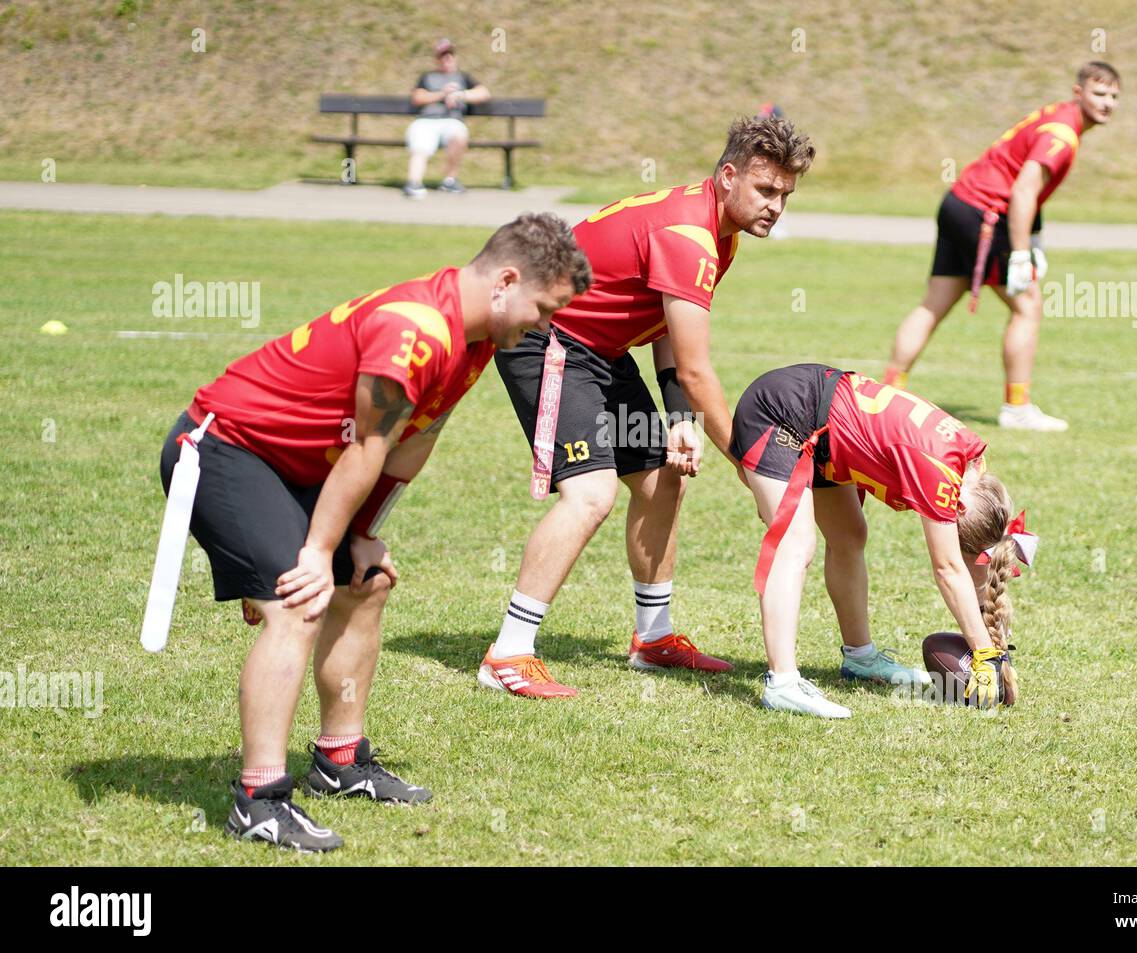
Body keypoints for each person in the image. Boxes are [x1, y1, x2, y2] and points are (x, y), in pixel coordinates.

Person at [158, 214, 590, 850]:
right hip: (225, 447)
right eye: (544, 308)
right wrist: (315, 551)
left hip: (295, 466)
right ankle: (258, 800)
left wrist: (360, 535)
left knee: (367, 583)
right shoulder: (416, 329)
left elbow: (414, 444)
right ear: (506, 280)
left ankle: (339, 762)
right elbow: (367, 446)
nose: (545, 326)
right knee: (297, 603)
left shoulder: (475, 341)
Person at [480, 115, 816, 698]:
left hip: (600, 350)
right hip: (548, 339)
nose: (777, 206)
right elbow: (695, 367)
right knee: (591, 493)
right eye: (766, 190)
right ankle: (508, 652)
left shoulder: (717, 229)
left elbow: (667, 323)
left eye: (786, 194)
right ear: (729, 175)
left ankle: (652, 639)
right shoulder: (691, 237)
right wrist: (751, 465)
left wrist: (681, 419)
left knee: (662, 479)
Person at [729, 364, 1035, 717]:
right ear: (960, 507)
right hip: (781, 410)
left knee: (850, 534)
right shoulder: (941, 473)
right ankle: (781, 683)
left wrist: (992, 638)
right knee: (796, 544)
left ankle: (860, 658)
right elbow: (949, 567)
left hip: (824, 424)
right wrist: (983, 653)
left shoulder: (972, 469)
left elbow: (972, 563)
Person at [883, 61, 1121, 431]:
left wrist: (1034, 237)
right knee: (1028, 306)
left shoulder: (1057, 116)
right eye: (1099, 93)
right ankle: (1017, 408)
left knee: (936, 301)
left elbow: (1021, 180)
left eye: (1113, 96)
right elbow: (1024, 189)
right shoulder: (1063, 133)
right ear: (1079, 93)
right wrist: (1022, 253)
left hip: (958, 203)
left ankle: (886, 396)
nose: (1107, 102)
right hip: (984, 215)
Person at [402, 37, 490, 197]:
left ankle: (449, 180)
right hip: (427, 120)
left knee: (458, 135)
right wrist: (442, 94)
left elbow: (483, 93)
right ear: (437, 58)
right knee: (420, 144)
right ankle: (413, 183)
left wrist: (460, 95)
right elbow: (417, 97)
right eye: (443, 55)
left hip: (452, 121)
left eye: (449, 55)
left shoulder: (463, 77)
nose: (446, 59)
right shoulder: (427, 77)